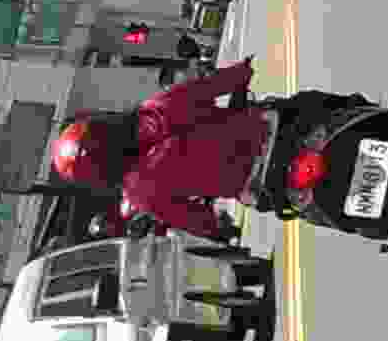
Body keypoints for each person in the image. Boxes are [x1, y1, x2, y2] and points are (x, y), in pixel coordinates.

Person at [51, 68, 280, 241]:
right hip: (261, 129)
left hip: (249, 181)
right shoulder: (155, 107)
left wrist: (216, 228)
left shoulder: (138, 191)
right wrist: (241, 73)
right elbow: (206, 87)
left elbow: (191, 218)